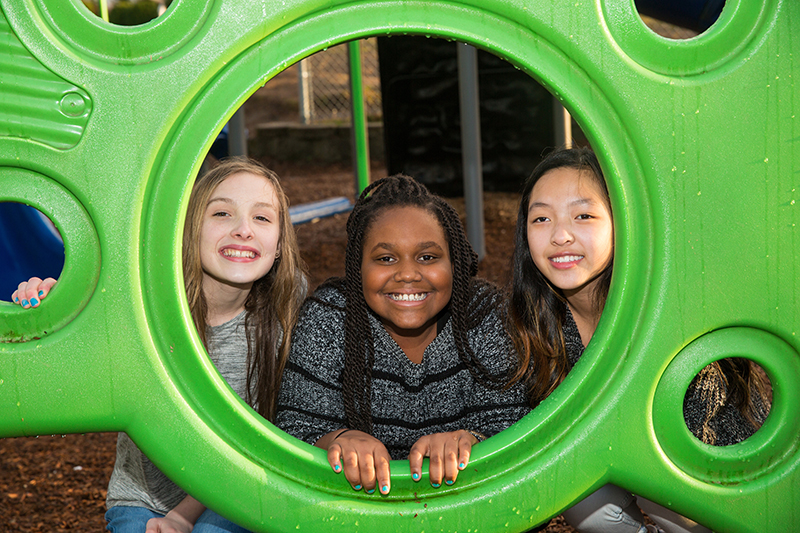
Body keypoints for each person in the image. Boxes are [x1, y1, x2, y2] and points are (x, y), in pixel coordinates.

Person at [12, 158, 307, 533]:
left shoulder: (282, 316)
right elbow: (66, 374)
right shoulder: (145, 306)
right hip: (144, 498)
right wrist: (51, 313)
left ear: (280, 245)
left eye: (262, 218)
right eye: (221, 213)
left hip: (243, 485)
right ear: (189, 229)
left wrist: (183, 517)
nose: (243, 230)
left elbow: (249, 446)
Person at [507, 147, 771, 533]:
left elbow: (695, 444)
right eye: (541, 218)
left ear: (621, 222)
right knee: (580, 492)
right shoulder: (536, 320)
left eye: (583, 216)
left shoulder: (662, 309)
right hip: (619, 462)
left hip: (713, 471)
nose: (560, 235)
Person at [275, 174, 530, 495]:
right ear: (358, 268)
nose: (408, 274)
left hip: (469, 504)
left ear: (455, 263)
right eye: (385, 258)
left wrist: (469, 439)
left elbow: (515, 420)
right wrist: (339, 439)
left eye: (427, 257)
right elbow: (296, 426)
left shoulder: (485, 313)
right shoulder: (330, 317)